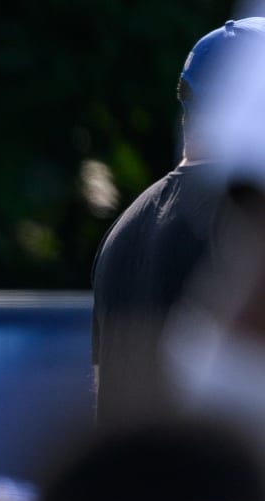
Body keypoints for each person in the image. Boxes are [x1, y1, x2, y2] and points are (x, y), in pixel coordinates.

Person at [92, 17, 265, 426]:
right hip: (217, 486)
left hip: (126, 484)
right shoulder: (243, 230)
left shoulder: (121, 232)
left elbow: (102, 390)